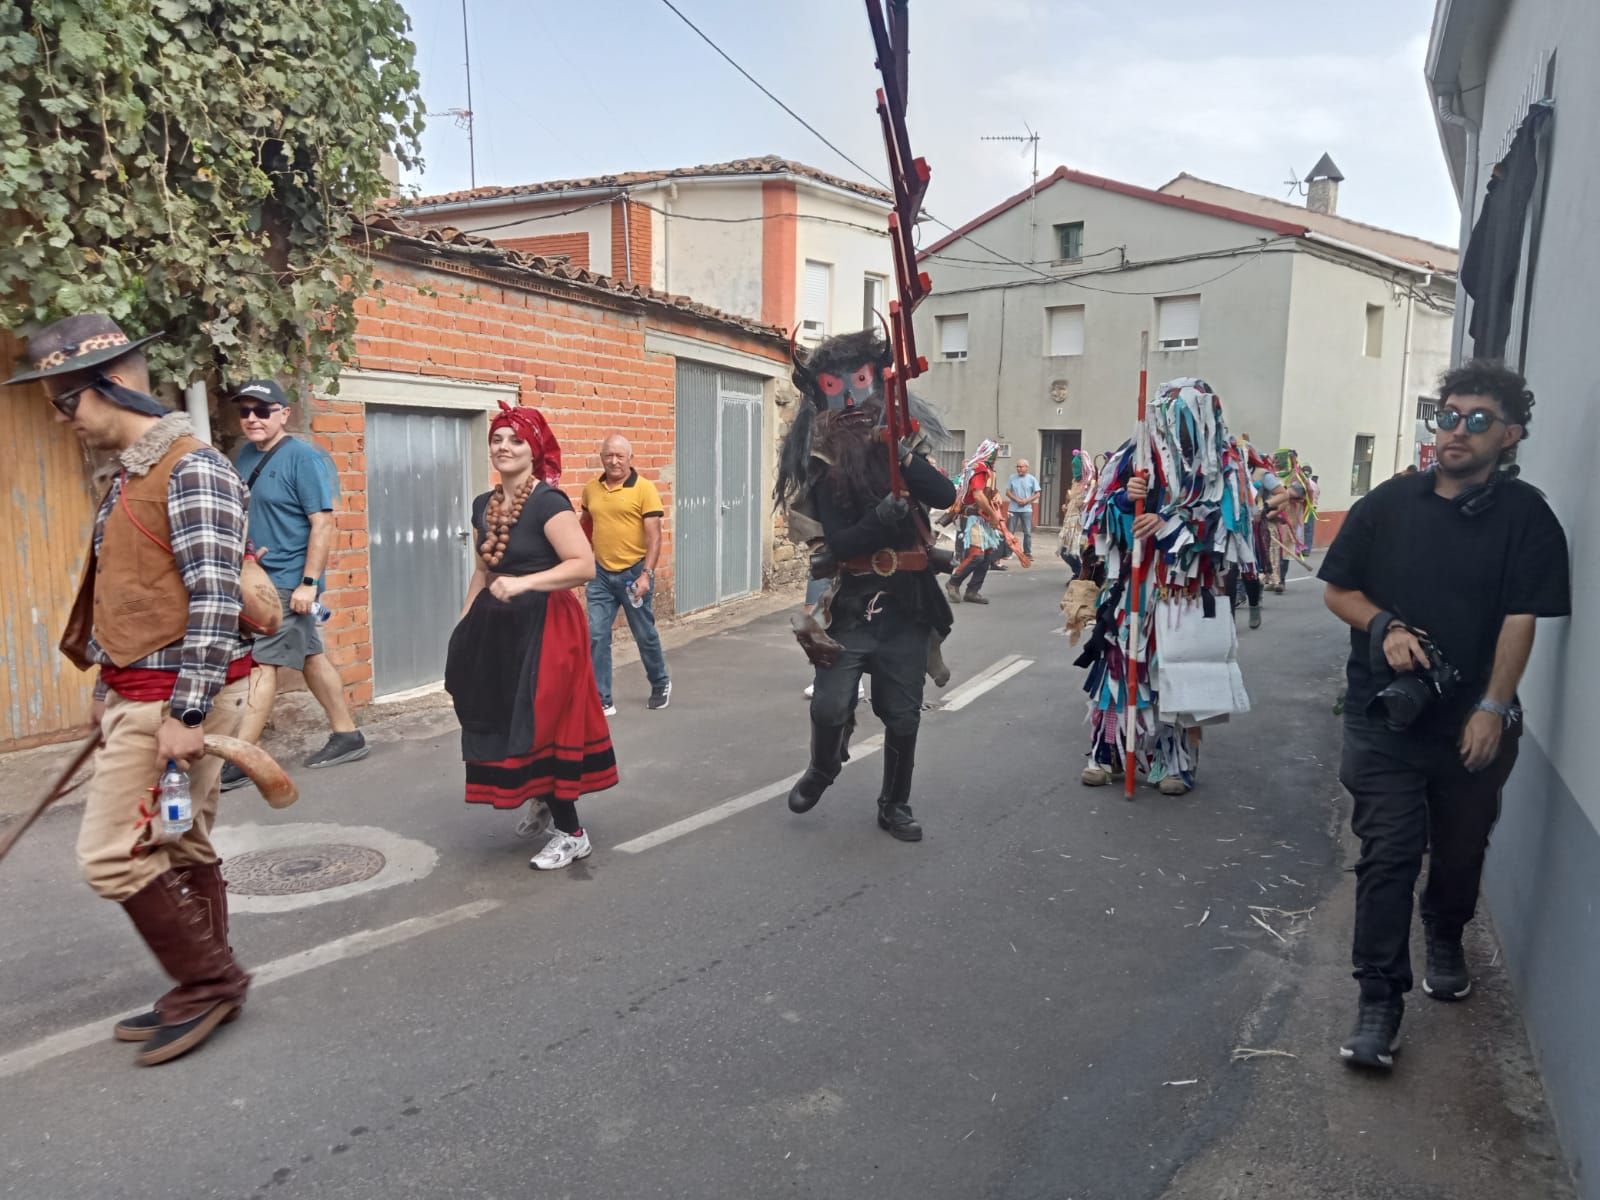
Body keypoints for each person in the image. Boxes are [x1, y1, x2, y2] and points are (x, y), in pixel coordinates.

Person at [5, 315, 252, 1066]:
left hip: (178, 697)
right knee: (180, 843)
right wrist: (109, 682)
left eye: (64, 402)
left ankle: (210, 980)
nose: (61, 419)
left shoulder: (191, 467)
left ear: (107, 385)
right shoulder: (137, 473)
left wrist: (184, 711)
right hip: (144, 691)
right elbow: (140, 592)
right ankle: (208, 982)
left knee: (111, 856)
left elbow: (215, 597)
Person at [1319, 362, 1568, 1072]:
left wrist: (1493, 707)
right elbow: (1338, 590)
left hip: (1473, 720)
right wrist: (1387, 627)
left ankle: (1447, 931)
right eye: (1446, 415)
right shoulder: (1388, 504)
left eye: (1476, 419)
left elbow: (1524, 617)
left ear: (1511, 434)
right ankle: (1378, 1003)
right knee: (1389, 855)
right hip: (1384, 718)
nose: (1455, 430)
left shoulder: (1529, 518)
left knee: (1460, 849)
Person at [776, 329, 956, 842]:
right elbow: (842, 541)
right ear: (821, 395)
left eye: (860, 382)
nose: (851, 397)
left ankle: (894, 804)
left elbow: (943, 493)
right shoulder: (825, 466)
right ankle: (824, 767)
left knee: (901, 715)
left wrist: (902, 458)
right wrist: (881, 517)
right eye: (837, 385)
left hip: (908, 606)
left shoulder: (903, 449)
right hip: (851, 604)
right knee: (829, 704)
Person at [445, 403, 618, 870]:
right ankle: (541, 798)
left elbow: (583, 566)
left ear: (534, 448)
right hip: (496, 627)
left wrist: (523, 583)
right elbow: (484, 568)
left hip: (547, 627)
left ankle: (572, 832)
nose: (504, 447)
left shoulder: (548, 503)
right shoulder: (487, 504)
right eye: (497, 439)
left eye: (515, 440)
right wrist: (464, 624)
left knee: (539, 720)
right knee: (498, 711)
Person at [1077, 378, 1255, 796]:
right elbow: (1098, 520)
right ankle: (1111, 753)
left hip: (1184, 594)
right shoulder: (1134, 455)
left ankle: (1172, 761)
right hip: (1133, 588)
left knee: (1178, 669)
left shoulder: (1225, 463)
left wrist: (1168, 524)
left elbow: (1227, 528)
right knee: (1120, 666)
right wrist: (1125, 498)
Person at [221, 380, 365, 790]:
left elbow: (322, 523)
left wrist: (308, 584)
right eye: (245, 411)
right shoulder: (245, 456)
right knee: (310, 657)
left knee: (263, 661)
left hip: (288, 581)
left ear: (284, 413)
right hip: (260, 577)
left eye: (262, 410)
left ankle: (241, 757)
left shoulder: (303, 458)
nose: (252, 418)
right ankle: (347, 734)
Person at [580, 434, 670, 715]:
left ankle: (660, 682)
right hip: (601, 576)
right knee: (596, 635)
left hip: (634, 575)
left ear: (630, 459)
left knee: (644, 634)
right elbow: (585, 525)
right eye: (609, 455)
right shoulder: (591, 489)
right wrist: (581, 560)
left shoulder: (644, 489)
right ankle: (601, 697)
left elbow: (654, 537)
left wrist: (647, 574)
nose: (614, 461)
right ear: (602, 458)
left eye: (620, 456)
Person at [946, 442, 1002, 605]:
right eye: (996, 452)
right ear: (990, 453)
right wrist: (993, 515)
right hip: (973, 517)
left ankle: (972, 591)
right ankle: (953, 582)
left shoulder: (988, 470)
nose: (997, 456)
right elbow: (977, 495)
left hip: (982, 517)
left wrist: (996, 495)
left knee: (986, 556)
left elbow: (985, 491)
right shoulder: (979, 468)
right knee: (977, 555)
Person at [1005, 457, 1041, 559]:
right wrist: (1016, 499)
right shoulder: (1012, 478)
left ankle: (1027, 553)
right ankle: (1008, 552)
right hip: (1013, 509)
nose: (1019, 469)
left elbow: (1037, 494)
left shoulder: (1032, 479)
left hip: (1026, 509)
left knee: (1027, 532)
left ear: (1026, 467)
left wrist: (1027, 500)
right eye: (1017, 467)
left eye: (1021, 467)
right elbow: (1007, 492)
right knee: (1010, 531)